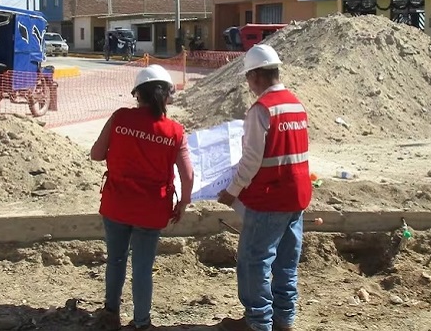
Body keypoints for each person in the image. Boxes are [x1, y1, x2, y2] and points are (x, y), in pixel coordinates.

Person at [89, 64, 195, 331]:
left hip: (116, 204)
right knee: (143, 268)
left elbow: (96, 154)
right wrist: (183, 204)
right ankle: (141, 323)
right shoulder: (175, 132)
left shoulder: (120, 118)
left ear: (138, 94)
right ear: (168, 95)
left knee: (115, 259)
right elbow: (188, 175)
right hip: (152, 209)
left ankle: (111, 312)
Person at [216, 44, 312, 331]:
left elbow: (251, 161)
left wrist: (231, 190)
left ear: (256, 75)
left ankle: (257, 322)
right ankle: (285, 319)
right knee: (285, 261)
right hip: (296, 196)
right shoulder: (296, 104)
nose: (248, 85)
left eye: (248, 78)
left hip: (269, 198)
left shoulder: (262, 110)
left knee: (254, 261)